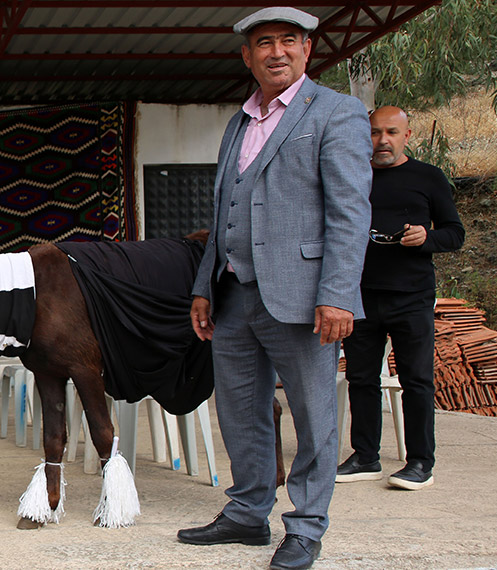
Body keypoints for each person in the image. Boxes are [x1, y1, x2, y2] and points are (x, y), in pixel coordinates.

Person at [178, 7, 373, 570]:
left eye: (289, 41)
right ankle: (246, 513)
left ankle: (307, 527)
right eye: (264, 43)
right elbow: (223, 212)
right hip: (234, 293)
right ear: (247, 55)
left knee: (313, 417)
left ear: (308, 51)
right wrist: (202, 287)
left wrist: (337, 294)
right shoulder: (239, 121)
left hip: (306, 296)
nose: (277, 52)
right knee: (240, 411)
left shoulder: (337, 112)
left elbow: (349, 212)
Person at [336, 106, 465, 490]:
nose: (382, 141)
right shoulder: (353, 177)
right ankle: (365, 456)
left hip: (412, 296)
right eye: (375, 133)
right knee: (361, 378)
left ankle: (421, 462)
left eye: (391, 132)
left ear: (407, 135)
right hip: (360, 295)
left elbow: (455, 234)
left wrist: (427, 238)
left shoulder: (428, 177)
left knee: (417, 380)